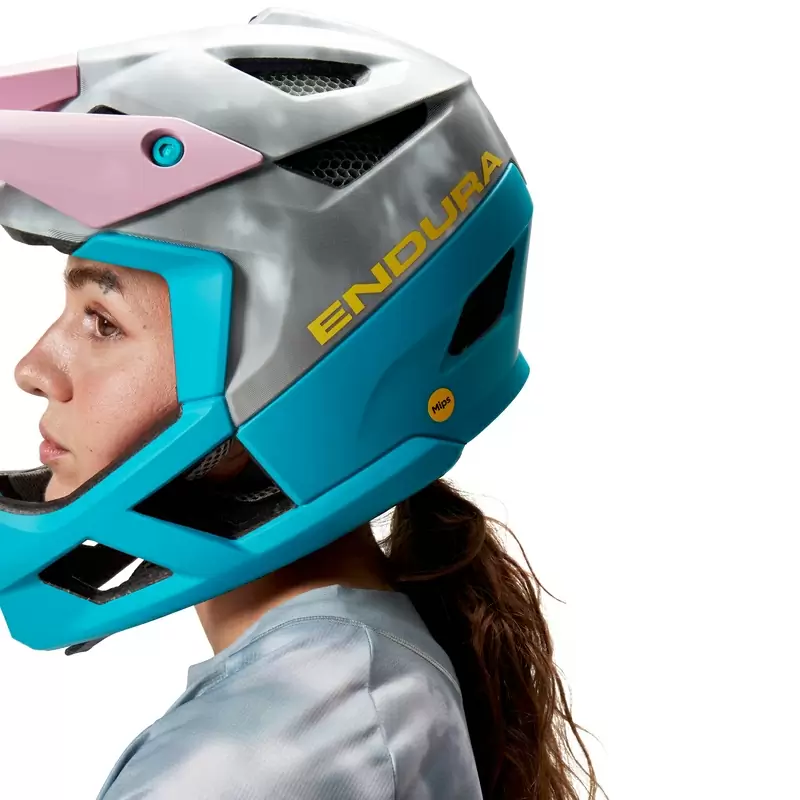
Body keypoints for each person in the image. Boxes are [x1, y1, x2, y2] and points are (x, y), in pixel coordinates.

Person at [0, 8, 601, 800]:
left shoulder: (266, 757)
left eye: (102, 322)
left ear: (299, 369)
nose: (34, 369)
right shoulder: (343, 699)